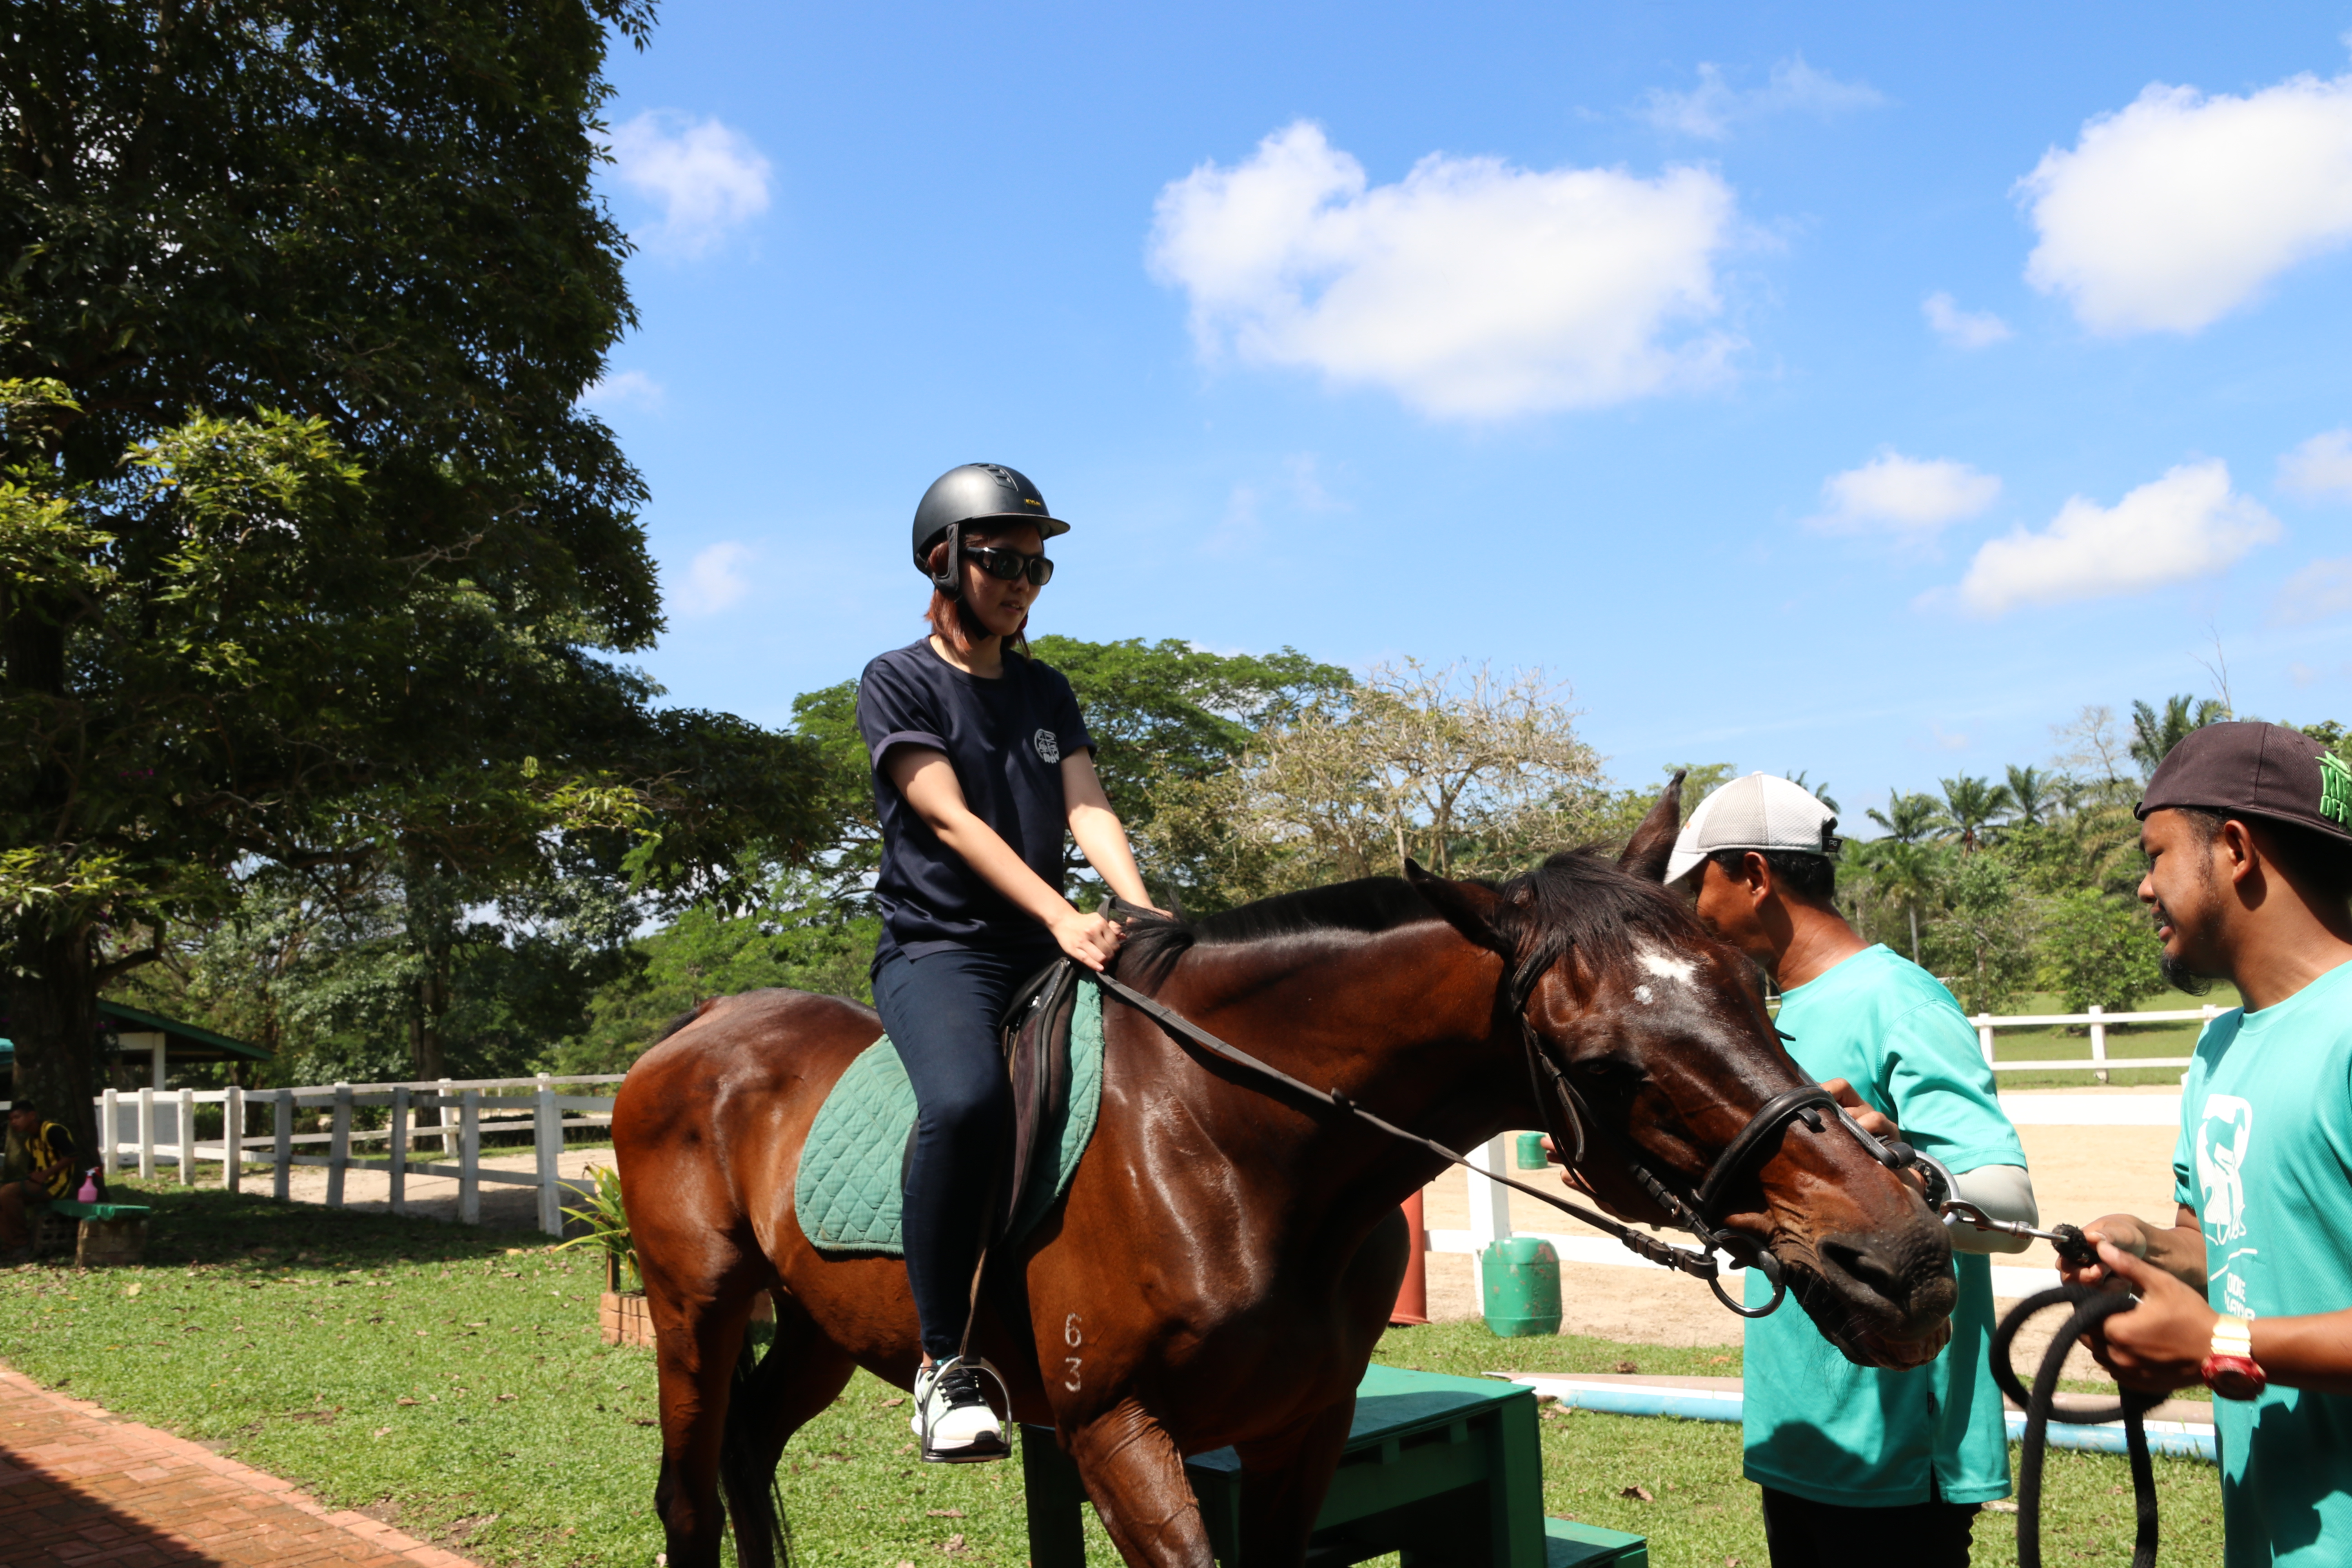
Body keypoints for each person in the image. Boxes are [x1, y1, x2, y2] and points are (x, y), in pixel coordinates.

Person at [855, 462, 1161, 1463]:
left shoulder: (1044, 687)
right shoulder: (898, 679)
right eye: (1001, 560)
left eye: (1039, 564)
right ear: (944, 562)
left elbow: (1087, 806)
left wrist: (1144, 911)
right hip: (943, 951)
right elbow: (948, 816)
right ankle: (944, 1363)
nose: (1023, 579)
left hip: (1049, 944)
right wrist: (1061, 911)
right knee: (968, 1104)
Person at [1658, 773, 2040, 1567]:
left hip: (1894, 1449)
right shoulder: (1763, 1020)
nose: (1694, 910)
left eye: (1700, 884)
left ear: (1754, 874)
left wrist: (1899, 1166)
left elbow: (2011, 1211)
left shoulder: (1897, 1001)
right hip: (1798, 1427)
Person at [2060, 722, 2352, 1567]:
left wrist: (2218, 1341)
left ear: (2234, 849)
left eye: (2154, 854)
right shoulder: (2220, 1047)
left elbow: (2224, 1324)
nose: (2145, 888)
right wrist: (2146, 1249)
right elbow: (2217, 1246)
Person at [0, 1100, 80, 1263]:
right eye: (11, 1119)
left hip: (56, 1186)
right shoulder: (30, 1141)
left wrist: (45, 1174)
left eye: (17, 1117)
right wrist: (34, 1175)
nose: (14, 1122)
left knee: (8, 1193)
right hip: (41, 1185)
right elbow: (32, 1170)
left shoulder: (52, 1131)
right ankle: (10, 1245)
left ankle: (21, 1244)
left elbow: (73, 1155)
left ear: (32, 1116)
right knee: (5, 1194)